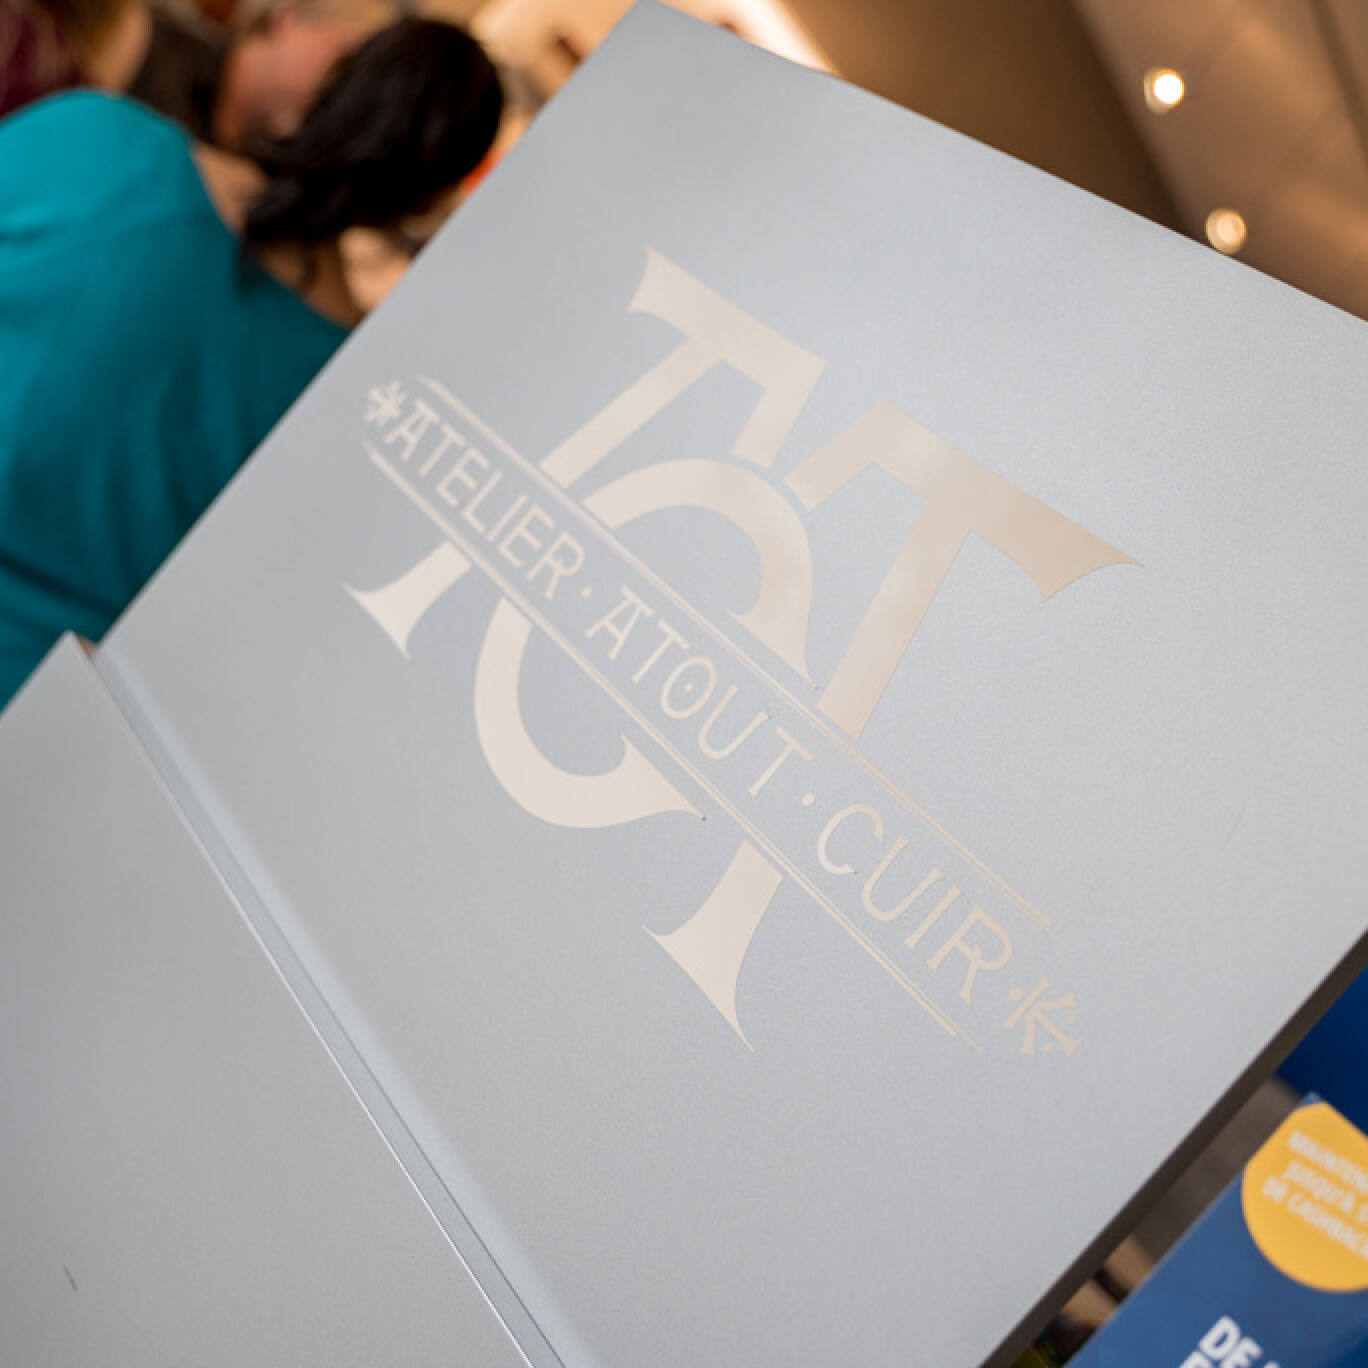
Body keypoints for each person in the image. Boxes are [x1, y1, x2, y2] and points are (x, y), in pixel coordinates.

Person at [0, 17, 504, 706]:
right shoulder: (353, 412)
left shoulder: (96, 140)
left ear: (332, 90)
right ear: (425, 200)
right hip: (37, 718)